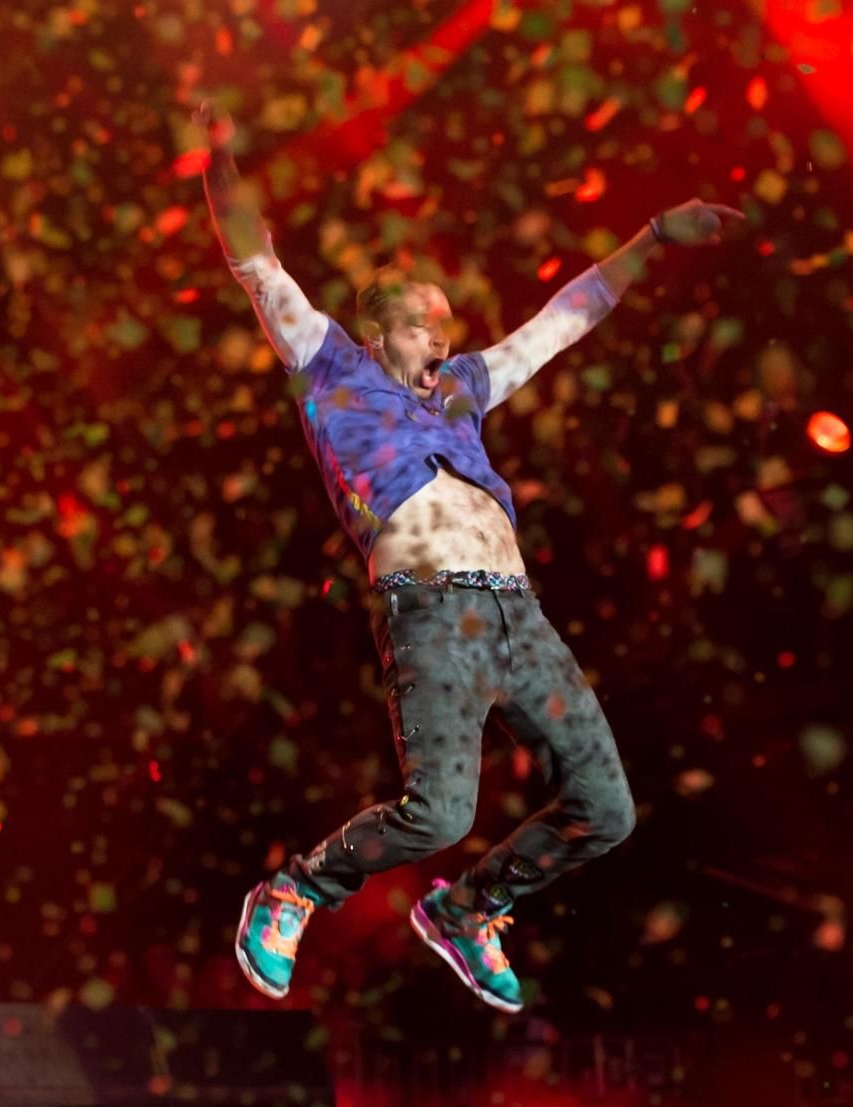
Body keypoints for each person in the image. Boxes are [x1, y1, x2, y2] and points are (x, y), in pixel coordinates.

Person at [197, 99, 744, 1012]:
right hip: (431, 610)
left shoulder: (462, 391)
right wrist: (218, 160)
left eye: (446, 323)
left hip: (518, 617)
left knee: (607, 810)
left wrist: (651, 236)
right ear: (380, 332)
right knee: (442, 814)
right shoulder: (331, 365)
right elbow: (258, 264)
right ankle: (295, 891)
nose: (442, 337)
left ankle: (470, 909)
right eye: (422, 325)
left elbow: (561, 322)